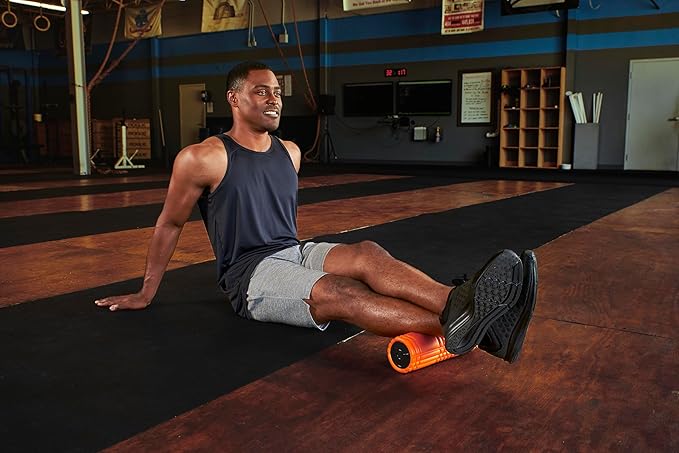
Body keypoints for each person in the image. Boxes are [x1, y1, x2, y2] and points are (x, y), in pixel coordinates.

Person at [95, 61, 537, 361]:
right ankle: (470, 326)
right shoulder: (203, 157)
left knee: (368, 253)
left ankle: (460, 303)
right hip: (250, 274)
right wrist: (146, 292)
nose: (274, 99)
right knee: (341, 293)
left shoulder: (290, 152)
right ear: (233, 98)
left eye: (277, 92)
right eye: (261, 91)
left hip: (293, 250)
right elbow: (169, 223)